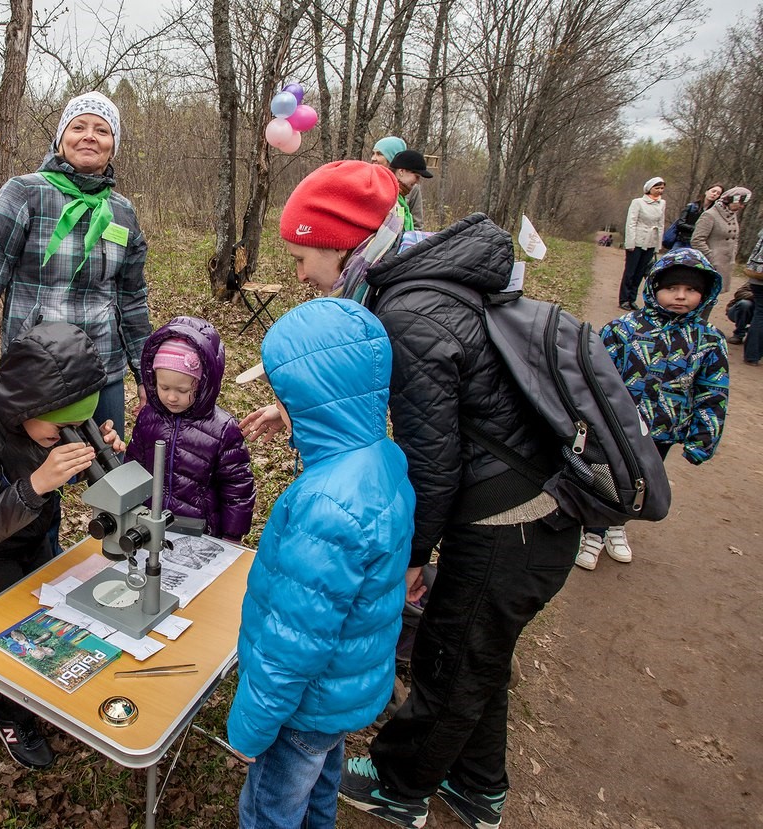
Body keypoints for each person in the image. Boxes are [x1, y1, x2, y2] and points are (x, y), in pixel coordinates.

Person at [242, 160, 580, 828]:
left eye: (303, 254)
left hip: (514, 511)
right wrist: (303, 410)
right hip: (517, 495)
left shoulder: (409, 310)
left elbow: (432, 456)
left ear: (341, 242)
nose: (302, 274)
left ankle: (404, 787)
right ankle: (478, 784)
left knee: (454, 654)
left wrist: (413, 553)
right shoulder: (413, 280)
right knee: (476, 652)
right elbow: (401, 407)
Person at [226, 298, 415, 829]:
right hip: (342, 690)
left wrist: (249, 729)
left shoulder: (325, 505)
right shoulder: (382, 457)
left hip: (302, 704)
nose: (278, 405)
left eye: (284, 396)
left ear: (311, 399)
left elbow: (294, 641)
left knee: (270, 808)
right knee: (321, 780)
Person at [0, 320, 124, 769]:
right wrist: (39, 481)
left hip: (38, 531)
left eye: (77, 427)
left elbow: (82, 464)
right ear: (28, 403)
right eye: (60, 427)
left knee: (49, 621)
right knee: (15, 638)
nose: (67, 435)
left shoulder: (56, 418)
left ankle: (41, 694)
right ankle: (10, 711)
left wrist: (103, 454)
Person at [0, 91, 151, 435]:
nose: (90, 135)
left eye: (102, 130)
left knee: (106, 476)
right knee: (36, 483)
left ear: (112, 145)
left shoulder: (122, 212)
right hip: (35, 368)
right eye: (79, 126)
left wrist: (145, 372)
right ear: (61, 138)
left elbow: (131, 299)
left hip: (103, 369)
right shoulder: (24, 193)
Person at [575, 249, 729, 570]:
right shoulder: (623, 329)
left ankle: (617, 526)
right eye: (672, 288)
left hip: (662, 430)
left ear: (705, 294)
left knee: (639, 480)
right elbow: (593, 374)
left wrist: (703, 438)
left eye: (691, 290)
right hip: (617, 426)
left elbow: (713, 391)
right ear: (655, 286)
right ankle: (594, 532)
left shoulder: (708, 340)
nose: (681, 297)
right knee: (607, 476)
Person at [123, 317, 256, 542]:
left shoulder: (223, 429)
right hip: (149, 523)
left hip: (200, 530)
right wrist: (126, 508)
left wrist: (232, 535)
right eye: (164, 387)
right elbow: (132, 466)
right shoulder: (148, 418)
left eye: (182, 390)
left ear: (203, 383)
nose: (171, 397)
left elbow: (237, 486)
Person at [692, 186, 751, 296]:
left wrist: (733, 254)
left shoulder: (732, 215)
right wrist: (711, 258)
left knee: (712, 298)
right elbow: (697, 240)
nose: (742, 206)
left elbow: (735, 238)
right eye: (741, 203)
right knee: (702, 297)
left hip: (725, 265)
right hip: (709, 265)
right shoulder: (710, 215)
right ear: (731, 200)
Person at [619, 177, 666, 310]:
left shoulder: (662, 204)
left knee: (640, 272)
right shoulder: (638, 202)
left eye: (662, 188)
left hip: (651, 241)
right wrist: (630, 242)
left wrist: (658, 244)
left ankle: (632, 298)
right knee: (630, 271)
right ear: (649, 188)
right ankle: (624, 298)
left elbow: (660, 224)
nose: (659, 191)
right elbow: (631, 222)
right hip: (637, 240)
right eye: (657, 188)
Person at [370, 136, 424, 230]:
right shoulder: (369, 181)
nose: (373, 158)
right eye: (373, 153)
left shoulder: (411, 188)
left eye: (379, 154)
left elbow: (417, 224)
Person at [387, 150, 433, 233]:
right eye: (416, 176)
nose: (417, 182)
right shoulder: (384, 193)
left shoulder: (400, 197)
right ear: (401, 172)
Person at [671, 183, 724, 249]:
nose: (715, 194)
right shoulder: (691, 206)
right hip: (683, 241)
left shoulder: (715, 212)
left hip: (699, 244)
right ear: (706, 191)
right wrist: (696, 228)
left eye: (718, 193)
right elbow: (680, 224)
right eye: (713, 191)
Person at [742, 228, 763, 366]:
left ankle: (752, 353)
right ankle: (752, 354)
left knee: (759, 314)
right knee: (761, 315)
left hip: (755, 274)